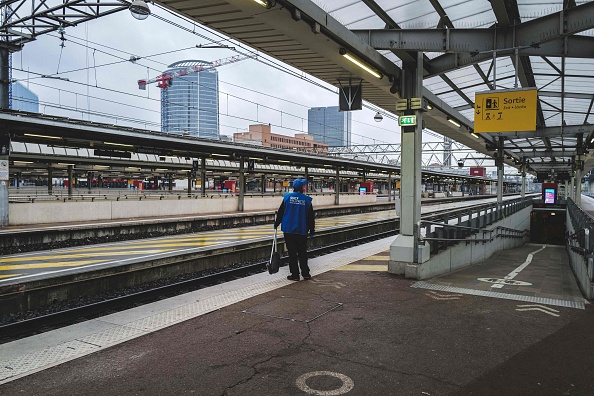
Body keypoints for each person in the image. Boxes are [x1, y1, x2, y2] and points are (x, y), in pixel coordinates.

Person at [274, 178, 315, 281]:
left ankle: (295, 275)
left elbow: (280, 212)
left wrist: (276, 224)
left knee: (292, 254)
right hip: (302, 230)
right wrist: (312, 230)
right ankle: (305, 273)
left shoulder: (287, 197)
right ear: (301, 188)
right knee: (302, 253)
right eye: (304, 186)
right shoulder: (307, 200)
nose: (305, 187)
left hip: (289, 230)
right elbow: (311, 217)